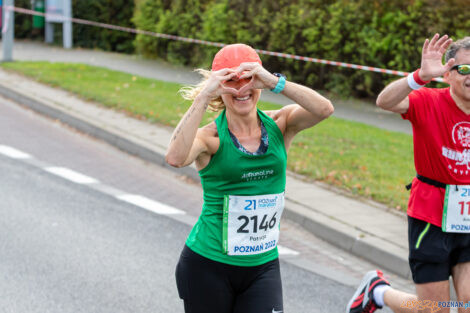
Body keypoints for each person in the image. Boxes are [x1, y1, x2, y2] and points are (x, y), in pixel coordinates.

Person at [165, 43, 334, 313]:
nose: (242, 89)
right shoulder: (211, 138)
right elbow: (175, 157)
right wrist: (202, 98)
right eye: (231, 81)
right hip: (208, 265)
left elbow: (324, 109)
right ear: (219, 87)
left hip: (262, 266)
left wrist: (274, 81)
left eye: (249, 80)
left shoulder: (281, 122)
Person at [346, 34, 470, 313]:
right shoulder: (428, 101)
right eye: (464, 69)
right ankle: (377, 292)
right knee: (434, 310)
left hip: (468, 219)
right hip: (430, 217)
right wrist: (419, 77)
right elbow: (384, 101)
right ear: (447, 74)